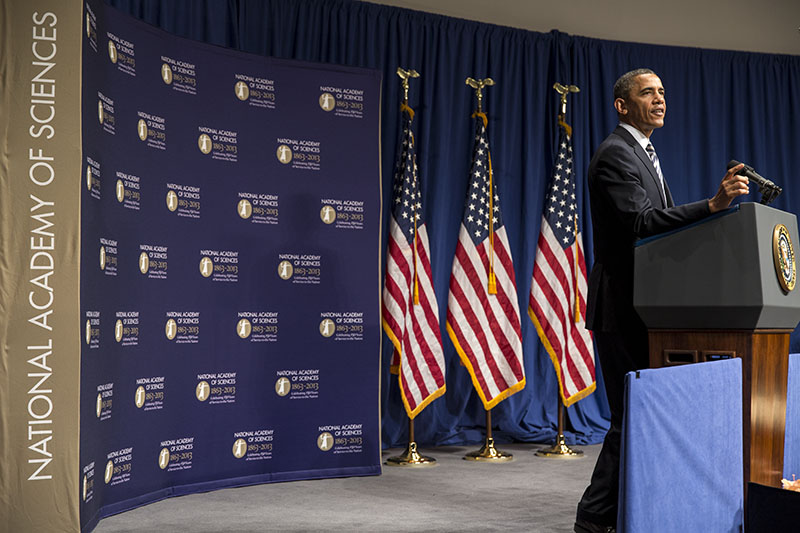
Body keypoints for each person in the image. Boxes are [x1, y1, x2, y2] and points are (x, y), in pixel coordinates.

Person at [574, 68, 749, 533]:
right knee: (629, 416)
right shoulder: (615, 155)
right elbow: (642, 222)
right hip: (623, 305)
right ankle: (592, 520)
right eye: (648, 92)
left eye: (662, 92)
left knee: (641, 415)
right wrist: (711, 207)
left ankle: (624, 514)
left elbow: (662, 229)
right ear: (623, 105)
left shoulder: (644, 153)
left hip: (651, 304)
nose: (659, 99)